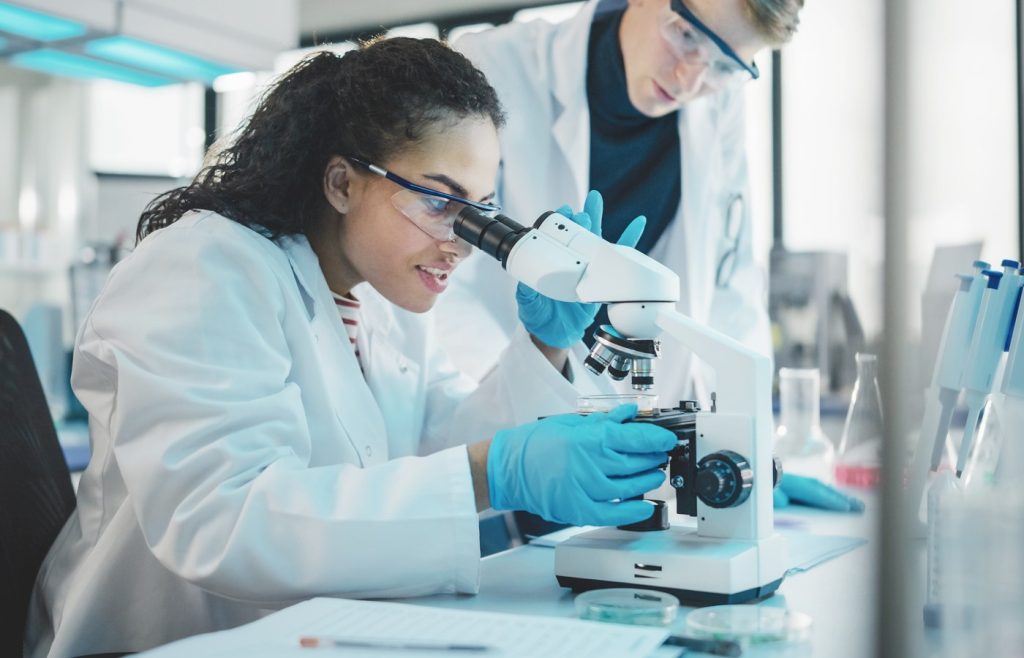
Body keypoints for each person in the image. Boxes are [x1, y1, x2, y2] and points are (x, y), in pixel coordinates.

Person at [25, 38, 676, 658]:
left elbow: (442, 446)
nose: (463, 242)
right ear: (342, 184)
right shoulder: (203, 267)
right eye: (440, 202)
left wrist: (542, 344)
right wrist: (497, 469)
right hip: (154, 644)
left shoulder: (384, 306)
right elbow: (225, 522)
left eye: (481, 210)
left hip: (317, 631)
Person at [437, 0, 804, 401]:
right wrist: (529, 395)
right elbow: (444, 266)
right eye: (685, 34)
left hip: (648, 402)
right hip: (500, 390)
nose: (689, 81)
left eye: (725, 65)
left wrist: (740, 422)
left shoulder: (718, 104)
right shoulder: (497, 64)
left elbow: (732, 285)